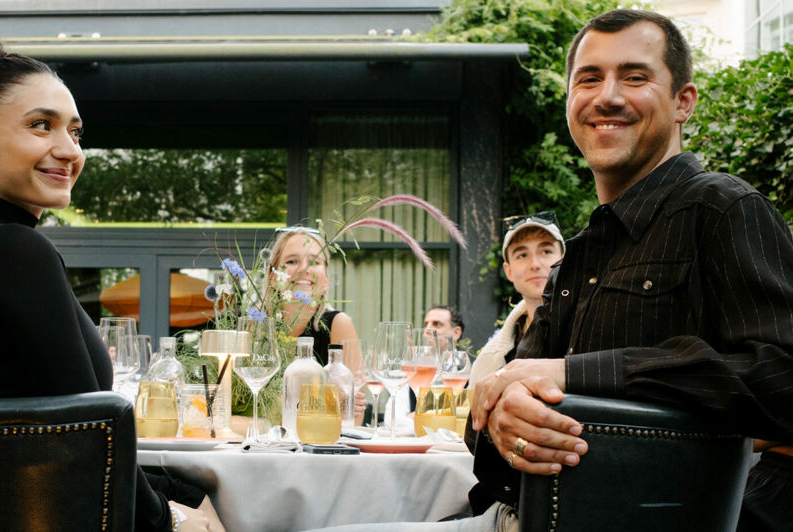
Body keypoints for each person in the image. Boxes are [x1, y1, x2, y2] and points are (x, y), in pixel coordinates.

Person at [308, 9, 793, 532]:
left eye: (634, 76)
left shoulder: (723, 209)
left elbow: (781, 378)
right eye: (589, 78)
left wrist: (573, 374)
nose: (607, 95)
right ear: (570, 103)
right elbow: (491, 408)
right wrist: (501, 419)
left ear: (683, 102)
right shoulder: (579, 257)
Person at [0, 37, 223, 532]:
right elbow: (89, 433)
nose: (68, 150)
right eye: (41, 126)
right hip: (33, 512)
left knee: (196, 488)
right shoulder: (11, 249)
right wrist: (171, 521)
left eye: (75, 132)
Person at [468, 212, 565, 387]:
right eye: (522, 255)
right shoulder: (488, 361)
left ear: (565, 260)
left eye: (546, 251)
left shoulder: (594, 330)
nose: (535, 264)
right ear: (509, 271)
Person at [266, 227, 358, 366]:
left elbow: (354, 387)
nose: (303, 269)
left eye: (314, 262)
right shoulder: (257, 324)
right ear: (272, 277)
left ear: (326, 279)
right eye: (291, 261)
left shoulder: (338, 324)